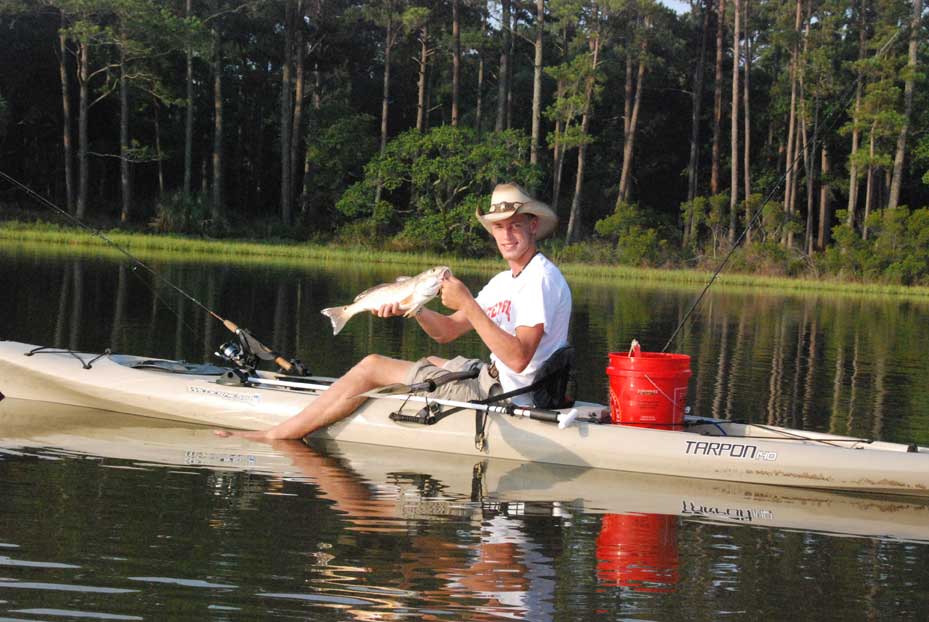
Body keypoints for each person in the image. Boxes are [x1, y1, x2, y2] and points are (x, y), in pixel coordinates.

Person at [218, 182, 571, 440]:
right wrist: (412, 307)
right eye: (499, 227)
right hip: (493, 379)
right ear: (492, 231)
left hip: (507, 393)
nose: (506, 234)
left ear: (532, 225)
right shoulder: (505, 280)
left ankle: (276, 435)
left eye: (515, 225)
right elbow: (447, 331)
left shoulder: (539, 280)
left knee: (372, 365)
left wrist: (468, 304)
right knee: (434, 360)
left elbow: (520, 358)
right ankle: (330, 404)